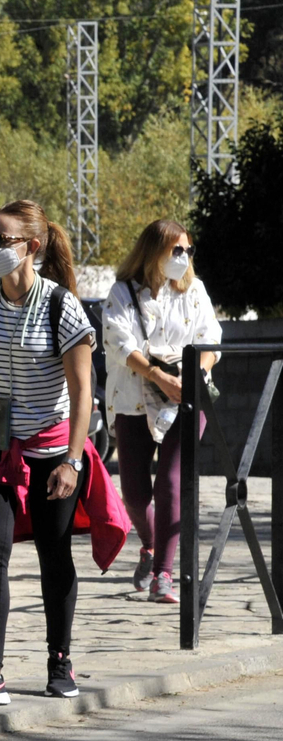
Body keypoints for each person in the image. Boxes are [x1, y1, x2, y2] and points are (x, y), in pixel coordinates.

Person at [0, 200, 97, 705]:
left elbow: (82, 395)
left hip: (51, 449)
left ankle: (60, 660)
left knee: (55, 555)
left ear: (32, 247)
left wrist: (73, 460)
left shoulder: (61, 305)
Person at [102, 220, 221, 603]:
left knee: (171, 483)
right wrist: (158, 376)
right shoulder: (122, 292)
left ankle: (164, 574)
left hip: (186, 398)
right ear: (153, 251)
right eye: (175, 250)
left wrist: (193, 375)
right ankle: (150, 544)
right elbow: (119, 343)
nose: (183, 258)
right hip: (134, 398)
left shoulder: (195, 290)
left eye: (188, 250)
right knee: (135, 493)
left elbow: (210, 340)